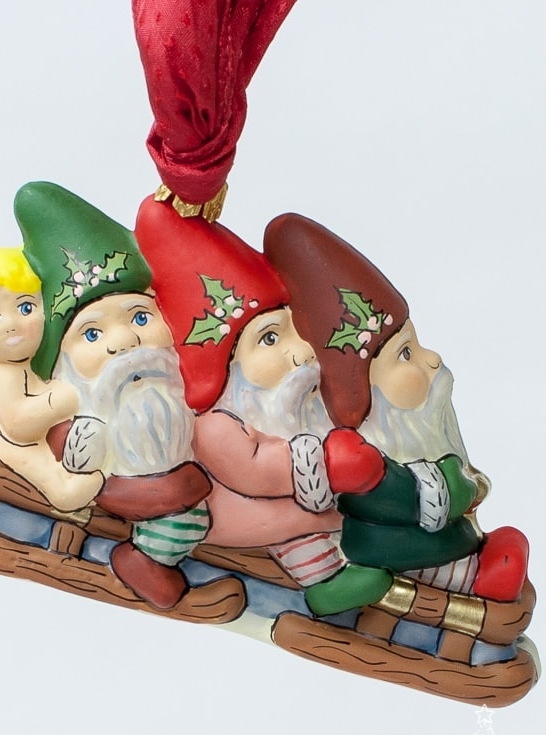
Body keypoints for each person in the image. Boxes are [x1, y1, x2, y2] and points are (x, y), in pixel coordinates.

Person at [263, 213, 529, 621]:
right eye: (406, 354)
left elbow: (460, 488)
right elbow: (379, 498)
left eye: (416, 345)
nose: (432, 358)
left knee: (508, 549)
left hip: (451, 551)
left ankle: (482, 580)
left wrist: (457, 487)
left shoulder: (431, 448)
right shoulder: (357, 453)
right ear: (367, 392)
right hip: (384, 554)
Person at [134, 196, 384, 597]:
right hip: (228, 513)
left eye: (295, 331)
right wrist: (322, 464)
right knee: (298, 527)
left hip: (294, 504)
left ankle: (327, 583)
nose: (300, 352)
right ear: (228, 367)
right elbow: (255, 473)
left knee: (305, 534)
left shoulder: (300, 413)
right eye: (269, 339)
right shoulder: (217, 426)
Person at [13, 182, 216, 610]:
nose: (124, 342)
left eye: (140, 317)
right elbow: (85, 478)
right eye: (91, 334)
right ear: (64, 363)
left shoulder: (190, 397)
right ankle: (145, 563)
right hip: (129, 495)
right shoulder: (73, 416)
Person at [0, 247, 103, 513]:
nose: (11, 324)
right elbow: (18, 424)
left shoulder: (22, 367)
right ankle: (72, 492)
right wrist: (68, 397)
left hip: (23, 437)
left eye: (26, 307)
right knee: (53, 481)